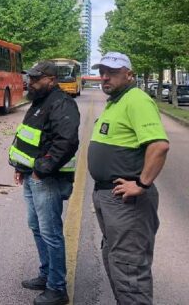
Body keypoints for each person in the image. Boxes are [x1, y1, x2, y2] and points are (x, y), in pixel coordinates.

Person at [89, 52, 170, 304]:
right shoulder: (116, 101)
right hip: (108, 196)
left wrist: (142, 184)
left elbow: (159, 146)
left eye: (112, 73)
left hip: (127, 202)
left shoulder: (137, 100)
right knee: (116, 258)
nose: (105, 77)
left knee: (129, 267)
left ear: (129, 75)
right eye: (102, 72)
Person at [10, 60, 79, 305]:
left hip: (48, 179)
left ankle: (57, 288)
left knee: (50, 233)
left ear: (51, 79)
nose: (31, 82)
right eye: (30, 78)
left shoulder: (62, 103)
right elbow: (29, 139)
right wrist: (21, 168)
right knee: (37, 227)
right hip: (33, 176)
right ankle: (47, 274)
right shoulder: (40, 101)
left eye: (36, 79)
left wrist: (42, 170)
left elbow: (66, 142)